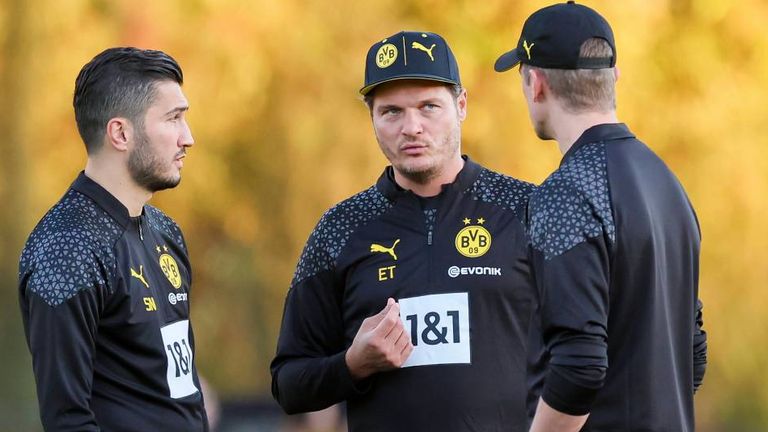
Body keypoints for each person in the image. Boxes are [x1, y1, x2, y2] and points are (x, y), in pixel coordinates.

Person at [271, 31, 537, 431]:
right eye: (391, 112)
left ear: (461, 105)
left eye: (429, 106)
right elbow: (288, 384)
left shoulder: (525, 209)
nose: (411, 127)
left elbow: (588, 351)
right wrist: (352, 365)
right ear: (372, 117)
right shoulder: (340, 228)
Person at [494, 2, 708, 431]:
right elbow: (693, 353)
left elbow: (580, 367)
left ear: (535, 84)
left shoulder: (566, 194)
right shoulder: (667, 182)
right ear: (614, 78)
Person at [18, 47, 207, 431]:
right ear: (120, 133)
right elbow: (67, 420)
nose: (188, 138)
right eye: (173, 119)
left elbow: (175, 389)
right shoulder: (67, 247)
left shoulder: (166, 232)